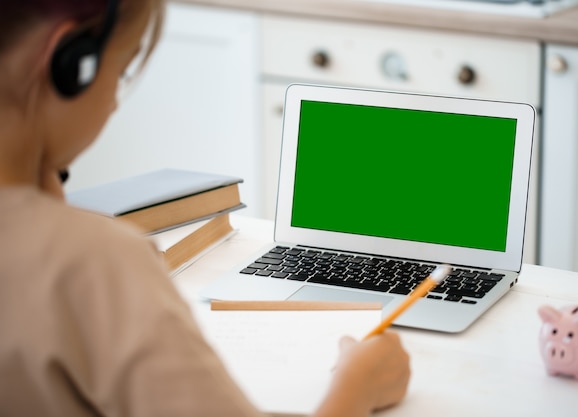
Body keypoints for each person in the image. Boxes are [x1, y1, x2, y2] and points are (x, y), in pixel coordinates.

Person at [0, 0, 411, 416]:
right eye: (121, 71)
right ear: (70, 65)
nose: (114, 103)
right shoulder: (93, 262)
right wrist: (356, 387)